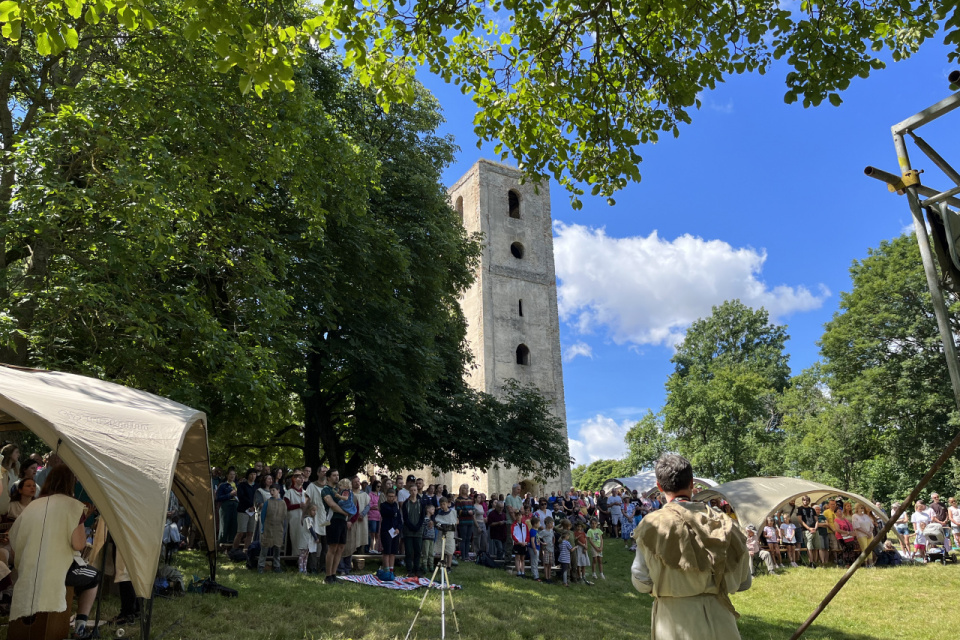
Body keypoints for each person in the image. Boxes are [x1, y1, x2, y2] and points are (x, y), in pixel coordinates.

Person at [632, 453, 751, 640]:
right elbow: (744, 581)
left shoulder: (653, 524)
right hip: (721, 621)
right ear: (692, 484)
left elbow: (641, 580)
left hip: (675, 621)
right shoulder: (725, 523)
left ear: (659, 486)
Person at [9, 465, 99, 638]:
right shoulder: (74, 506)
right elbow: (79, 544)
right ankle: (80, 628)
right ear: (71, 483)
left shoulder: (34, 504)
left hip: (28, 570)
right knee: (93, 576)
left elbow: (14, 539)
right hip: (57, 572)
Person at [321, 469, 350, 583]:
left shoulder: (341, 490)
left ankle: (333, 574)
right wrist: (344, 512)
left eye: (338, 475)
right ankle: (328, 576)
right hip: (333, 520)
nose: (336, 477)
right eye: (334, 475)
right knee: (332, 547)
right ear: (328, 477)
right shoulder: (326, 490)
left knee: (340, 547)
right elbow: (331, 504)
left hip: (343, 521)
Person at [258, 485, 286, 573]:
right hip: (268, 528)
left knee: (277, 549)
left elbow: (284, 516)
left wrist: (283, 529)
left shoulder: (283, 503)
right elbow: (263, 516)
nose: (272, 492)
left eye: (273, 490)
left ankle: (277, 566)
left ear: (278, 491)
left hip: (278, 529)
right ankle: (261, 566)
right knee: (264, 548)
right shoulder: (267, 502)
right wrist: (263, 527)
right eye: (270, 490)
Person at [401, 484, 424, 577]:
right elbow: (405, 518)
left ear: (417, 491)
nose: (413, 492)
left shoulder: (421, 503)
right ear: (409, 492)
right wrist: (411, 527)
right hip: (408, 531)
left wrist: (418, 526)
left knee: (418, 551)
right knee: (409, 551)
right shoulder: (406, 503)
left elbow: (422, 516)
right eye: (412, 490)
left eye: (415, 490)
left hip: (418, 531)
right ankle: (409, 569)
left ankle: (417, 569)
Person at [233, 469, 258, 552]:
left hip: (253, 511)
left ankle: (246, 550)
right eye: (251, 474)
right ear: (248, 475)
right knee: (241, 532)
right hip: (243, 510)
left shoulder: (257, 486)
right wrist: (250, 505)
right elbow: (241, 496)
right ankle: (234, 550)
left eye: (254, 474)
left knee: (250, 532)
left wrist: (255, 506)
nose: (253, 476)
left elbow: (258, 497)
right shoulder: (242, 485)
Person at [379, 489, 402, 575]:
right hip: (386, 530)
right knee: (387, 551)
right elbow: (391, 512)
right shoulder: (383, 505)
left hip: (395, 532)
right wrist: (395, 505)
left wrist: (398, 528)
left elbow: (399, 519)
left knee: (393, 552)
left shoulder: (396, 507)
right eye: (389, 496)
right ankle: (386, 570)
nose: (391, 498)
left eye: (393, 497)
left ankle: (391, 570)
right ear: (386, 496)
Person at [215, 467, 239, 545]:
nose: (232, 476)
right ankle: (222, 541)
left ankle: (232, 541)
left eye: (234, 474)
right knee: (224, 524)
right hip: (226, 505)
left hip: (236, 505)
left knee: (234, 524)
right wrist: (230, 495)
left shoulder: (238, 485)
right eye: (230, 474)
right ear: (227, 475)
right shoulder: (223, 485)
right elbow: (218, 498)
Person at [435, 496, 458, 570]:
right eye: (441, 504)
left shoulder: (453, 512)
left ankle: (449, 566)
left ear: (447, 504)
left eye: (444, 504)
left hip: (450, 533)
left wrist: (453, 524)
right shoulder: (439, 513)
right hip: (442, 533)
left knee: (449, 550)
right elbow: (437, 522)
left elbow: (456, 521)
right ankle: (443, 565)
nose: (442, 506)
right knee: (443, 550)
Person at [454, 484, 475, 561]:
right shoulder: (458, 500)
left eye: (467, 488)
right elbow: (458, 510)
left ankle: (467, 555)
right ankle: (463, 556)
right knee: (463, 538)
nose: (466, 490)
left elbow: (474, 508)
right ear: (461, 490)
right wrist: (467, 512)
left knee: (468, 539)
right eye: (465, 488)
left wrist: (472, 512)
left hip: (470, 521)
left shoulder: (470, 499)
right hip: (463, 521)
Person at [421, 503, 437, 574]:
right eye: (432, 509)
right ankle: (424, 566)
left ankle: (431, 566)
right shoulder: (425, 519)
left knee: (431, 553)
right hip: (426, 538)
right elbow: (424, 528)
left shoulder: (432, 520)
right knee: (426, 553)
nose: (434, 510)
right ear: (428, 510)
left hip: (431, 538)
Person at [367, 480, 381, 554]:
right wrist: (376, 507)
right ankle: (371, 548)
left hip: (379, 516)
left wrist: (377, 506)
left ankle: (376, 549)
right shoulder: (370, 494)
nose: (379, 488)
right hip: (372, 516)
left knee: (377, 534)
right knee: (372, 533)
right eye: (378, 486)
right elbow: (369, 505)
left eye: (380, 487)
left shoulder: (380, 495)